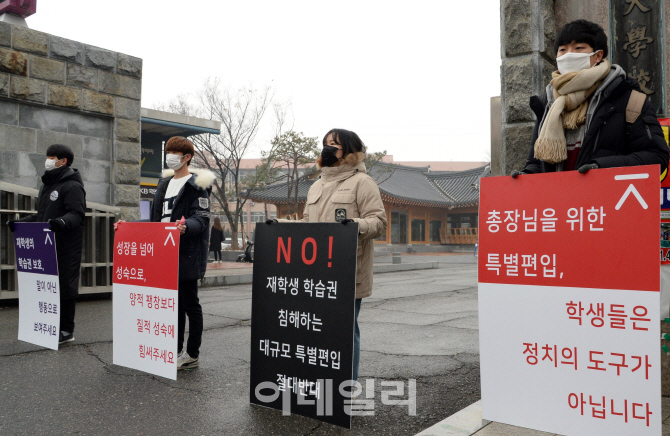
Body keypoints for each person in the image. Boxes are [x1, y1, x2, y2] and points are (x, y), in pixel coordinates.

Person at [268, 128, 387, 381]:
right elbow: (308, 224)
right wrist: (281, 225)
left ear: (350, 150)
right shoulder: (316, 185)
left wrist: (351, 228)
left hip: (348, 271)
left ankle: (347, 386)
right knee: (315, 330)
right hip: (315, 272)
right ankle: (319, 378)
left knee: (344, 331)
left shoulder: (363, 183)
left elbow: (378, 222)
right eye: (325, 143)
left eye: (334, 144)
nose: (327, 148)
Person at [512, 19, 668, 177]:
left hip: (607, 199)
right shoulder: (548, 103)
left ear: (598, 55)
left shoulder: (628, 99)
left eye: (578, 48)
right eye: (563, 50)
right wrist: (525, 176)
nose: (568, 55)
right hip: (558, 199)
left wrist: (600, 169)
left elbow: (657, 157)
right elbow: (536, 163)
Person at [115, 136, 214, 370]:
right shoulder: (163, 184)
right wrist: (126, 228)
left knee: (190, 304)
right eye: (168, 152)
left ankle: (192, 354)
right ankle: (173, 349)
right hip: (163, 253)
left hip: (187, 253)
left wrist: (185, 226)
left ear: (187, 157)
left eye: (175, 153)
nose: (170, 157)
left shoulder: (196, 185)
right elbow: (154, 221)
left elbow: (201, 219)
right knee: (173, 305)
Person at [7, 144, 86, 345]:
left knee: (66, 285)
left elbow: (77, 215)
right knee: (47, 285)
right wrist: (20, 224)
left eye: (52, 157)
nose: (48, 160)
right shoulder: (47, 185)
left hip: (66, 245)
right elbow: (42, 216)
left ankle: (67, 330)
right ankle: (49, 325)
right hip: (47, 245)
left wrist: (61, 222)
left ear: (63, 161)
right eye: (48, 156)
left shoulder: (72, 186)